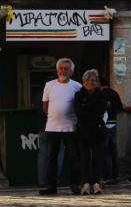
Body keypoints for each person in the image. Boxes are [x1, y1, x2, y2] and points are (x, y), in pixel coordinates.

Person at [38, 58, 83, 195]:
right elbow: (45, 105)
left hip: (71, 127)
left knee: (74, 157)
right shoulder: (49, 85)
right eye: (61, 68)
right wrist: (53, 116)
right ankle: (51, 186)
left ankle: (74, 184)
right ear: (57, 70)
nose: (63, 71)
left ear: (71, 71)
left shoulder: (77, 86)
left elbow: (80, 105)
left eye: (66, 68)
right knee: (52, 158)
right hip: (52, 127)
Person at [73, 69, 107, 195]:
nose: (90, 82)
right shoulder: (78, 95)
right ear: (83, 82)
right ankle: (86, 184)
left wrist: (87, 108)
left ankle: (96, 183)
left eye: (93, 80)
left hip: (98, 130)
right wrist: (91, 110)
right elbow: (78, 112)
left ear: (97, 82)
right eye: (87, 80)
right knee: (85, 158)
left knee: (97, 158)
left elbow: (100, 111)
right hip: (83, 131)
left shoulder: (101, 94)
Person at [100, 76, 123, 185]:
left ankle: (106, 176)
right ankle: (116, 175)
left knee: (104, 152)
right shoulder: (114, 93)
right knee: (113, 151)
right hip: (113, 124)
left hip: (104, 125)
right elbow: (120, 108)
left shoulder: (100, 94)